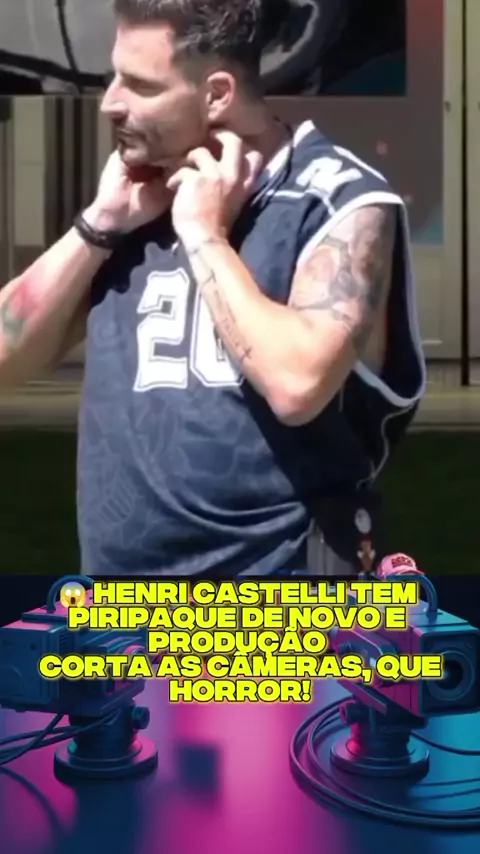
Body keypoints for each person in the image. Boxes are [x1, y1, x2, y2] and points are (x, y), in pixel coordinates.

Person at [0, 0, 426, 576]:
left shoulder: (338, 200)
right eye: (113, 77)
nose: (110, 103)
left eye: (141, 85)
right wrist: (99, 224)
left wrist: (204, 234)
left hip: (289, 608)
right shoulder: (136, 200)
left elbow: (298, 385)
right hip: (124, 610)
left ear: (218, 93)